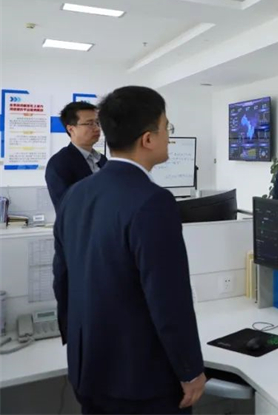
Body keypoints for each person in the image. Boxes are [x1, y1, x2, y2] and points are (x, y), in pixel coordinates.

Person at [53, 86, 206, 414]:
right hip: (139, 380)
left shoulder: (75, 194)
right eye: (166, 127)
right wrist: (190, 369)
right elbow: (168, 298)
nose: (169, 137)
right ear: (148, 139)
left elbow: (62, 277)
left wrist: (75, 344)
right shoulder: (153, 201)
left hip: (87, 369)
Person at [45, 101, 107, 208]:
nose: (97, 128)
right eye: (89, 123)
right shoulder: (60, 163)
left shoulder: (102, 160)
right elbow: (66, 207)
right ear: (71, 129)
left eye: (97, 123)